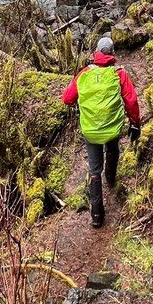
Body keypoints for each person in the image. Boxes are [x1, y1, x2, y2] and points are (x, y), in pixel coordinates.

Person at [61, 35, 141, 228]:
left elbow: (67, 98)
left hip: (90, 130)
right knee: (112, 148)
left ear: (96, 52)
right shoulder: (119, 74)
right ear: (112, 53)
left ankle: (97, 215)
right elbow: (131, 101)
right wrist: (135, 124)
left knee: (93, 169)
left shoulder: (84, 73)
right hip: (112, 128)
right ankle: (111, 178)